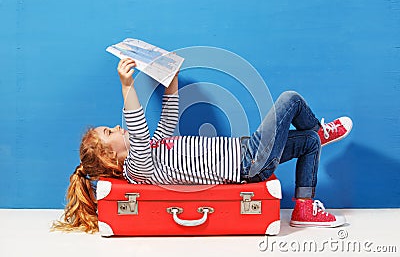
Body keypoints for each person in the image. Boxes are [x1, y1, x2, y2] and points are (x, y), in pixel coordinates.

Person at [52, 58, 352, 233]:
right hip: (248, 163)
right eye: (109, 131)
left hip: (247, 149)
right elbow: (137, 126)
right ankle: (320, 130)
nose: (118, 127)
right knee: (290, 99)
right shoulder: (137, 167)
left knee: (309, 143)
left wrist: (170, 78)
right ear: (110, 157)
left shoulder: (154, 147)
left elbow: (168, 116)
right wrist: (127, 86)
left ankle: (303, 209)